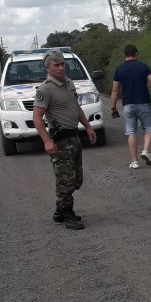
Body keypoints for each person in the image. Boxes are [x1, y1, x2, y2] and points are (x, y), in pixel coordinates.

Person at [33, 50, 96, 230]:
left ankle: (60, 211)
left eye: (62, 64)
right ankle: (67, 213)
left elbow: (76, 107)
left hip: (74, 137)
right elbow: (37, 117)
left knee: (76, 179)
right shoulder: (45, 89)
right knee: (65, 180)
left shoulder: (69, 83)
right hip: (60, 140)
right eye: (56, 65)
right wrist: (46, 141)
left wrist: (88, 127)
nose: (61, 68)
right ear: (48, 68)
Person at [110, 44, 151, 169]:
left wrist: (113, 107)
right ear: (136, 54)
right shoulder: (143, 67)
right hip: (143, 103)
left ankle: (135, 162)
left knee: (131, 132)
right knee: (149, 127)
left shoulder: (119, 69)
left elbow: (115, 91)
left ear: (124, 55)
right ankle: (145, 151)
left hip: (128, 105)